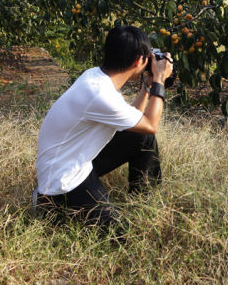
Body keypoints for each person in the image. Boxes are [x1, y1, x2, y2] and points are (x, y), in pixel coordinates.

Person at [33, 25, 174, 229]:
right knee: (121, 234)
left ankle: (144, 201)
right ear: (139, 61)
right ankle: (50, 206)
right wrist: (160, 79)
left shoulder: (95, 77)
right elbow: (151, 124)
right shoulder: (99, 95)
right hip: (63, 180)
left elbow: (134, 122)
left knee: (141, 138)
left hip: (77, 159)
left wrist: (148, 85)